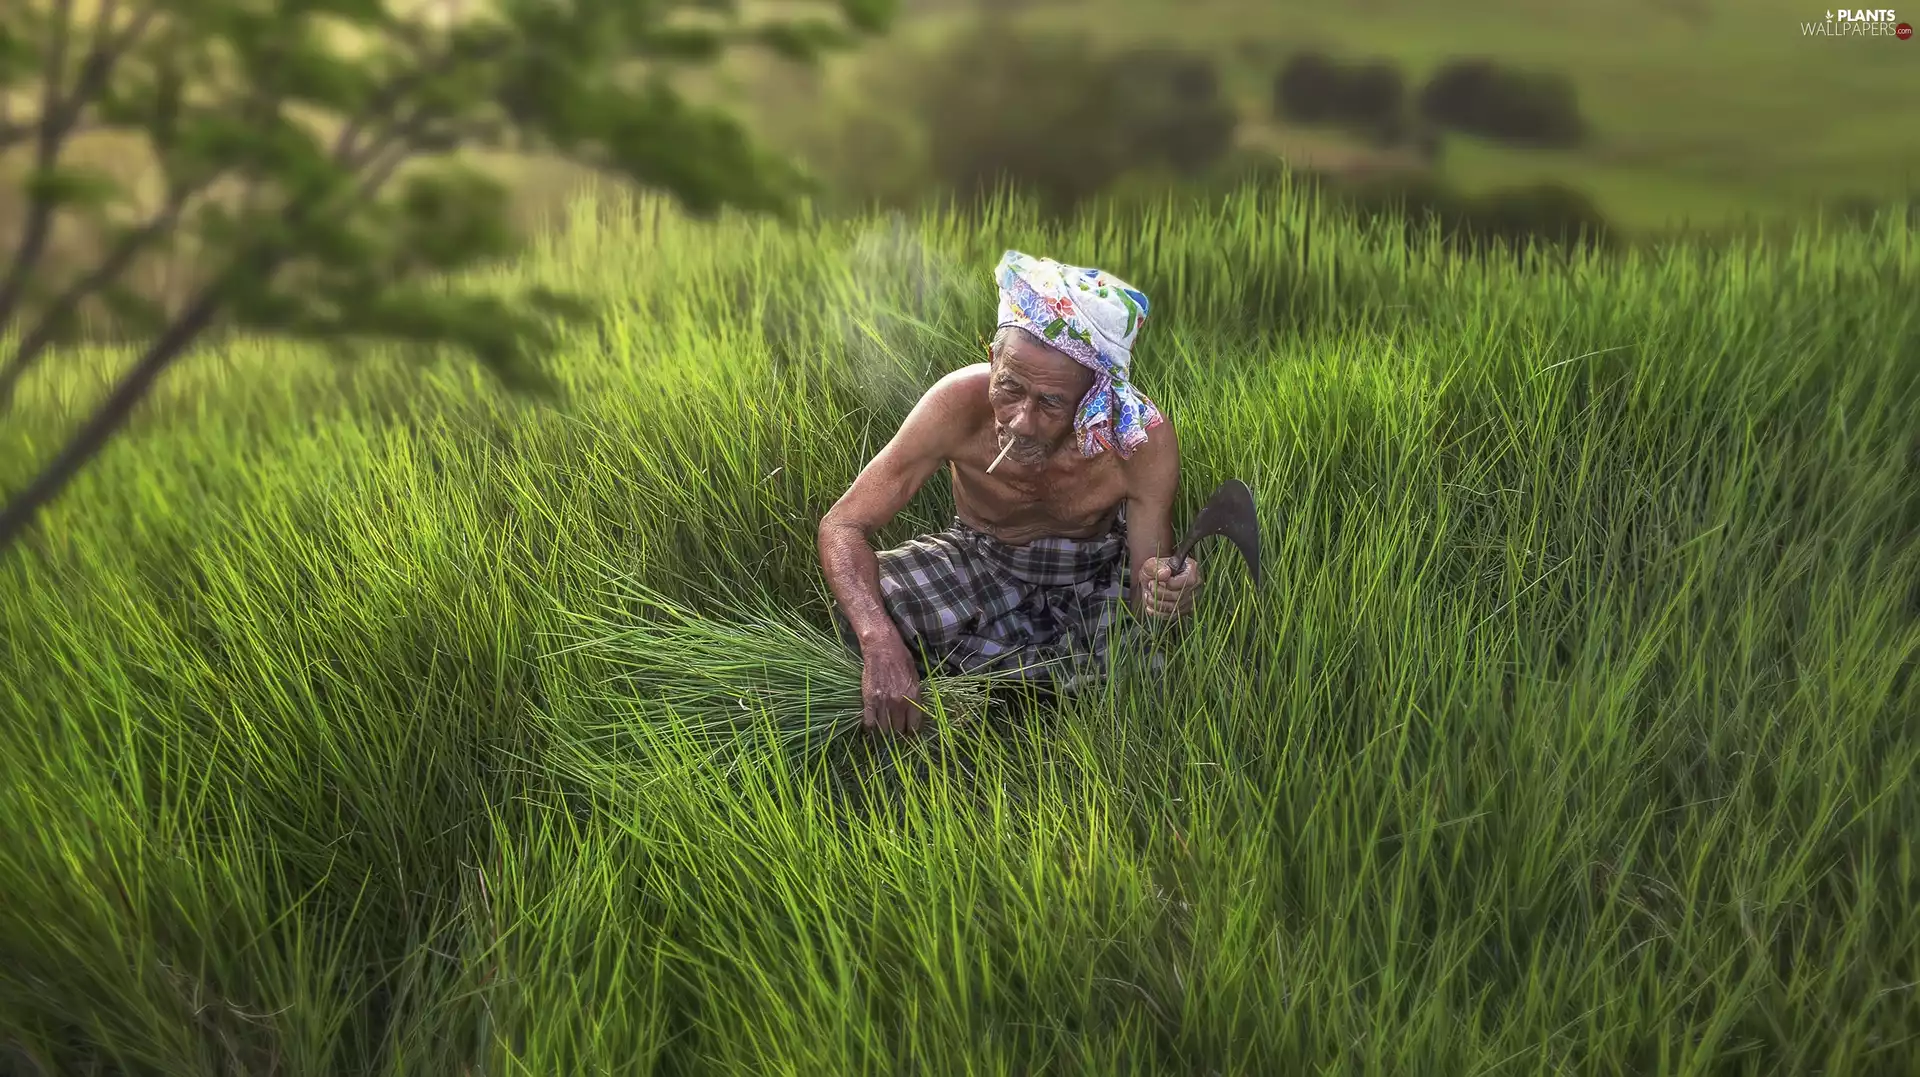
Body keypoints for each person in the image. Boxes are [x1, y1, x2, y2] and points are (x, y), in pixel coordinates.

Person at [816, 249, 1202, 735]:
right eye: (1010, 387)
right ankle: (1030, 687)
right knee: (871, 604)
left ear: (1095, 398)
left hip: (1091, 571)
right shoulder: (955, 404)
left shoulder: (1138, 440)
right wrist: (878, 640)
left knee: (1145, 670)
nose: (1020, 420)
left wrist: (1165, 594)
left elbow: (1145, 583)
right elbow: (843, 525)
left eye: (1052, 403)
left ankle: (1015, 696)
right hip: (982, 558)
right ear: (992, 358)